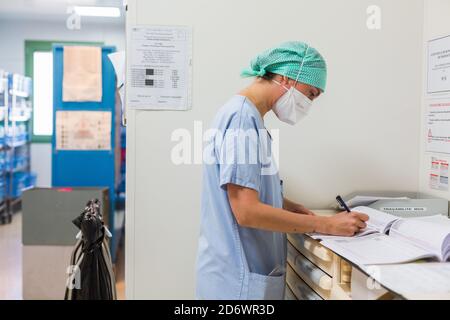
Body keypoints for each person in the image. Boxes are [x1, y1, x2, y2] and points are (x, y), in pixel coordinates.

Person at [196, 41, 369, 300]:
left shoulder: (244, 114)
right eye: (310, 94)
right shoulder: (242, 119)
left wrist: (284, 203)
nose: (308, 104)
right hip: (238, 281)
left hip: (235, 274)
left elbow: (241, 185)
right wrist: (326, 224)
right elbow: (246, 211)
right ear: (287, 78)